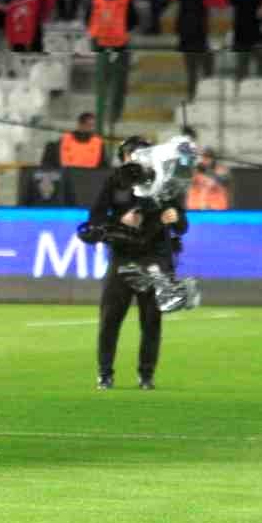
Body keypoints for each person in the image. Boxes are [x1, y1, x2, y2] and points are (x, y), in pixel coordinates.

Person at [88, 137, 188, 390]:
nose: (133, 159)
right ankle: (105, 373)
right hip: (123, 256)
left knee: (152, 320)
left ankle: (146, 375)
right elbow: (95, 220)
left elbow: (183, 226)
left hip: (155, 257)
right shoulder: (113, 182)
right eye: (129, 155)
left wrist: (174, 218)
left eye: (139, 154)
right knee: (110, 318)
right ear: (122, 158)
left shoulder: (165, 183)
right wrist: (120, 223)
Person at [88, 0, 133, 128]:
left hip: (120, 48)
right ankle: (100, 121)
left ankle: (115, 116)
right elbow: (90, 19)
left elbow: (133, 20)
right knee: (102, 86)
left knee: (119, 85)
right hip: (102, 47)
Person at [42, 112, 107, 169]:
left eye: (92, 126)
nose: (91, 129)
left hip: (90, 180)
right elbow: (50, 165)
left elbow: (104, 166)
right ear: (79, 124)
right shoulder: (63, 141)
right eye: (88, 125)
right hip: (67, 179)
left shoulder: (98, 143)